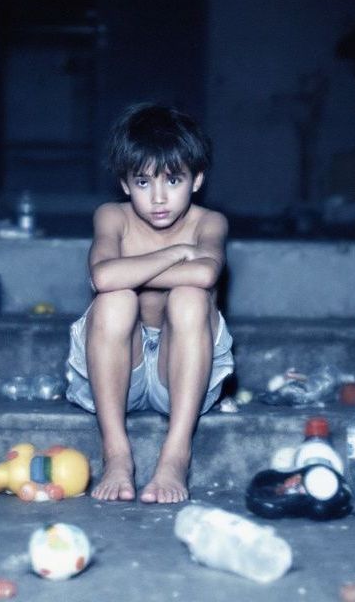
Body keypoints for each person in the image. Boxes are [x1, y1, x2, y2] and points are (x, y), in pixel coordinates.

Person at [65, 102, 234, 503]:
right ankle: (116, 453)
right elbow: (103, 277)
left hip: (186, 371)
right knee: (115, 300)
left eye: (172, 180)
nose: (158, 198)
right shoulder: (112, 216)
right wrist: (177, 254)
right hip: (115, 371)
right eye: (143, 183)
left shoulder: (209, 222)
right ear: (125, 184)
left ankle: (175, 456)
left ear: (196, 180)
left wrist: (133, 269)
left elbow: (206, 275)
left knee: (191, 298)